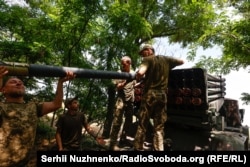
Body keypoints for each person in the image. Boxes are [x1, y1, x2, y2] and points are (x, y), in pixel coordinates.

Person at [0, 66, 75, 166]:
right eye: (13, 82)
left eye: (21, 83)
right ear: (3, 89)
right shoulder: (2, 107)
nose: (18, 83)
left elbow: (56, 104)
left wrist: (60, 82)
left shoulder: (33, 106)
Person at [133, 44, 184, 151]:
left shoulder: (147, 60)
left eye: (143, 53)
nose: (142, 55)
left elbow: (141, 72)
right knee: (159, 127)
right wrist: (169, 66)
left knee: (142, 124)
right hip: (162, 96)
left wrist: (138, 77)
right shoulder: (167, 60)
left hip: (149, 96)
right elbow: (182, 61)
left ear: (149, 50)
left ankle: (137, 149)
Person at [109, 56, 137, 151]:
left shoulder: (133, 73)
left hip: (130, 101)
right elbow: (118, 87)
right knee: (117, 121)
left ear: (129, 63)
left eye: (124, 63)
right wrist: (125, 82)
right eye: (121, 63)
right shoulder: (119, 73)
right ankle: (112, 143)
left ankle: (123, 139)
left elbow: (134, 84)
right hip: (121, 100)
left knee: (129, 121)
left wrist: (139, 84)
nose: (122, 65)